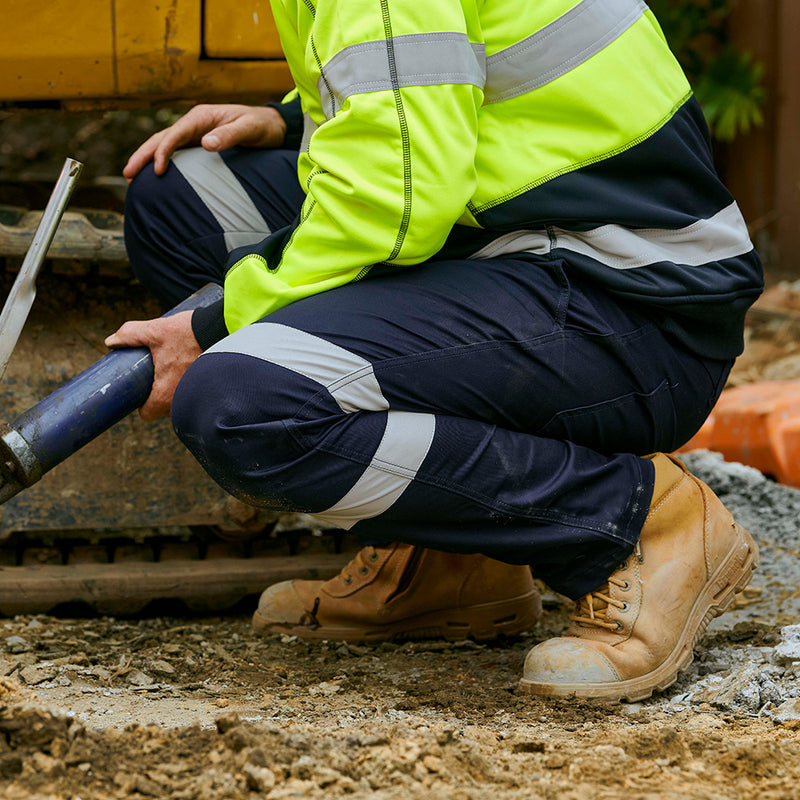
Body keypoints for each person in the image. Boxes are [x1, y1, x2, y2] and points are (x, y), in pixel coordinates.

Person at [108, 0, 762, 701]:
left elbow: (395, 200)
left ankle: (632, 525)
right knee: (182, 200)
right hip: (522, 233)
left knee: (241, 406)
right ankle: (458, 558)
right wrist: (296, 118)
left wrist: (211, 327)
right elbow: (431, 58)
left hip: (629, 301)